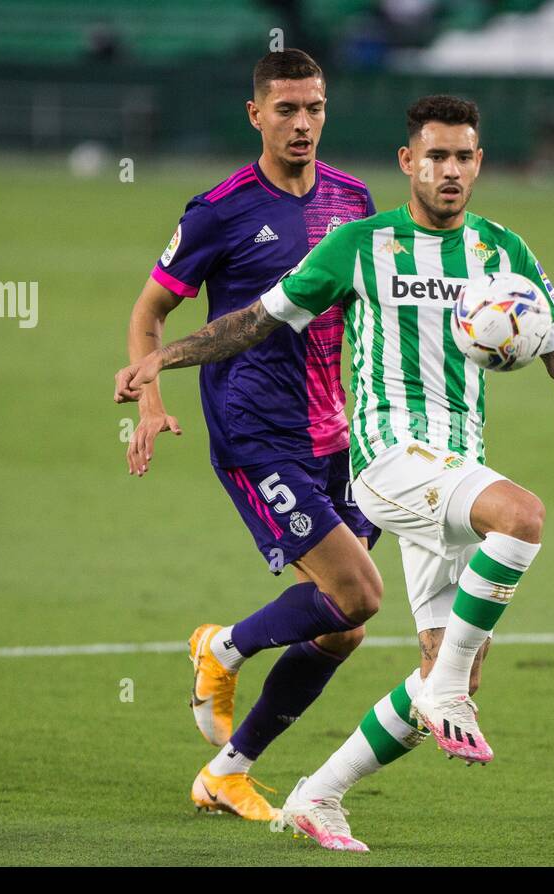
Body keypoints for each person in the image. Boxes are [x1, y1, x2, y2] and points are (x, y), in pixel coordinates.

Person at [114, 94, 554, 851]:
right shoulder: (360, 245)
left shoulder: (501, 251)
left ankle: (318, 796)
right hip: (387, 461)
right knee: (522, 517)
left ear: (479, 163)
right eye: (436, 156)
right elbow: (257, 318)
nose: (451, 171)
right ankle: (271, 665)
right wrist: (166, 357)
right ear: (409, 162)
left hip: (452, 466)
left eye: (464, 157)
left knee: (450, 670)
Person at [123, 49, 382, 822]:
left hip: (340, 432)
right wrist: (148, 405)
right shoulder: (219, 210)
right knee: (357, 592)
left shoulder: (353, 197)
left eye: (315, 108)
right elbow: (149, 314)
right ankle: (223, 647)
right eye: (287, 110)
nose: (303, 123)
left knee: (344, 627)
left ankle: (227, 773)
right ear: (256, 115)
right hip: (255, 430)